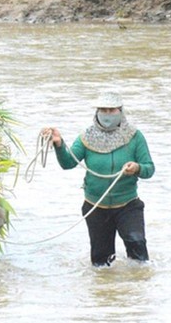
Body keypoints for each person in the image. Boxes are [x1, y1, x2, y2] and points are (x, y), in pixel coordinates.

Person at [47, 92, 155, 266]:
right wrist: (59, 144)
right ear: (96, 112)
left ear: (120, 111)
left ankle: (138, 289)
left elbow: (149, 169)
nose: (107, 114)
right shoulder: (86, 137)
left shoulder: (135, 136)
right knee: (101, 262)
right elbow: (68, 163)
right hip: (95, 206)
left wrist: (137, 168)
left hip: (127, 205)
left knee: (138, 249)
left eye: (112, 110)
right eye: (103, 110)